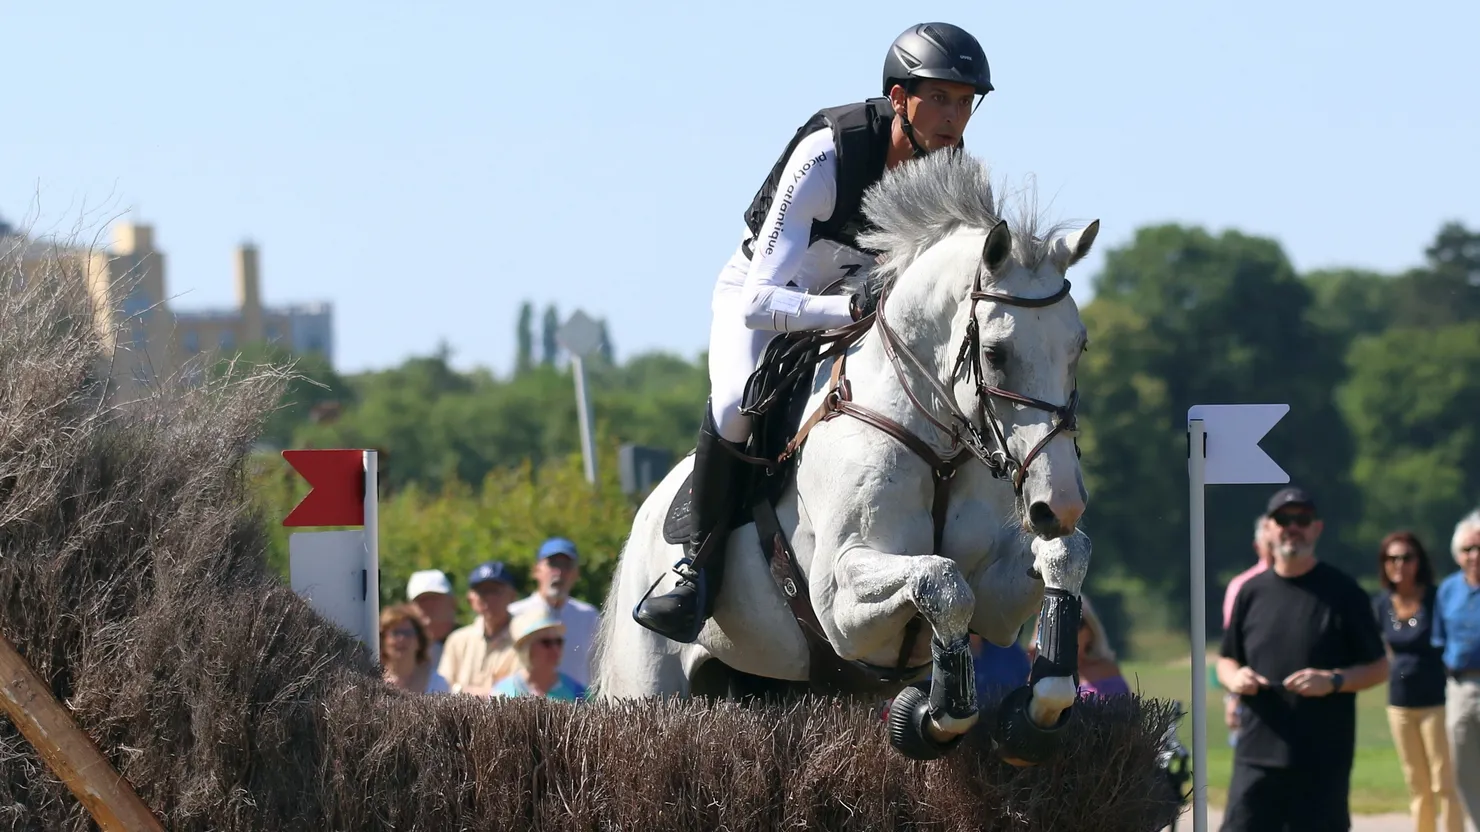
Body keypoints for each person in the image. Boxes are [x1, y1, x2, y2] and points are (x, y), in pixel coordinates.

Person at [634, 22, 995, 644]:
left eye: (964, 102)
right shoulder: (831, 151)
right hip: (772, 295)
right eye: (938, 98)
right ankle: (698, 566)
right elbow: (758, 303)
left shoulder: (951, 173)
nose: (952, 117)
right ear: (899, 97)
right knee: (733, 403)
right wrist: (849, 309)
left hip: (860, 307)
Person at [1217, 486, 1388, 832]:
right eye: (1283, 519)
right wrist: (1236, 679)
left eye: (1302, 519)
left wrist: (1333, 681)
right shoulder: (1250, 592)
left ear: (1317, 528)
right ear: (1268, 527)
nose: (1293, 527)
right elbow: (1226, 660)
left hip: (1321, 758)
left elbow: (1379, 667)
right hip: (1256, 754)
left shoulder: (1344, 591)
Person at [1374, 530, 1460, 832]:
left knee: (1443, 781)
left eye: (1406, 557)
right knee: (1416, 781)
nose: (1399, 564)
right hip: (1399, 702)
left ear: (1418, 561)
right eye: (1392, 558)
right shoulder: (1382, 603)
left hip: (1436, 699)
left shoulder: (1436, 598)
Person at [1432, 508, 1480, 826]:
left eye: (1479, 548)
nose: (1474, 555)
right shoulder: (1448, 590)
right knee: (1463, 769)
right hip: (1460, 687)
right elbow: (1439, 640)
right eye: (1467, 549)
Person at [507, 538, 600, 687]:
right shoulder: (515, 614)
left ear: (576, 574)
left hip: (577, 705)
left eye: (566, 566)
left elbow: (597, 670)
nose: (559, 572)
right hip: (523, 706)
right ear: (536, 570)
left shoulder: (588, 616)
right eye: (553, 564)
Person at [1223, 516, 1274, 746]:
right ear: (1258, 546)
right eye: (1268, 542)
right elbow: (1232, 649)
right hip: (1250, 689)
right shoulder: (1243, 586)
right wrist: (1233, 697)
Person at [438, 560, 522, 697]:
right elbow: (442, 689)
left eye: (495, 591)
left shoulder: (524, 640)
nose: (488, 598)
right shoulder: (458, 640)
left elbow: (520, 692)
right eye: (481, 592)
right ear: (470, 599)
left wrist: (462, 691)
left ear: (512, 595)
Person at [491, 608, 588, 702]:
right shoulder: (503, 693)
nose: (555, 648)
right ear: (526, 648)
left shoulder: (578, 693)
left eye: (558, 642)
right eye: (546, 642)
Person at [379, 604, 450, 694]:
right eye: (395, 633)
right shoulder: (372, 682)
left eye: (407, 633)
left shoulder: (438, 683)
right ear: (383, 639)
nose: (402, 639)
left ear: (419, 641)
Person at [405, 569, 457, 669]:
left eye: (435, 598)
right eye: (422, 600)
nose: (429, 606)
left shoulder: (469, 642)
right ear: (409, 607)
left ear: (452, 603)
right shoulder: (399, 648)